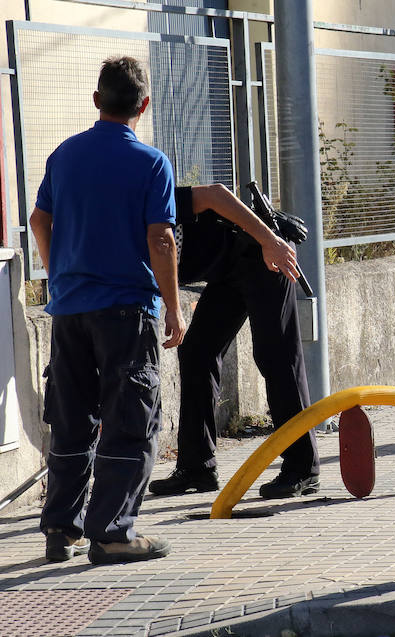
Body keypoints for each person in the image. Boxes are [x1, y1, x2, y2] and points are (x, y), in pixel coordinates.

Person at [29, 56, 185, 564]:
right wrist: (175, 309)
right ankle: (113, 533)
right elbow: (160, 239)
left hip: (69, 310)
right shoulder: (151, 162)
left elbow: (38, 221)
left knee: (72, 419)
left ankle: (61, 529)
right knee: (130, 421)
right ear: (144, 104)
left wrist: (61, 278)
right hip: (125, 310)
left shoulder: (64, 156)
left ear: (97, 101)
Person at [147, 183, 320, 499]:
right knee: (197, 352)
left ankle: (302, 468)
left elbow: (215, 194)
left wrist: (269, 240)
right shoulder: (113, 245)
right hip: (225, 272)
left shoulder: (147, 197)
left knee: (276, 358)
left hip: (263, 255)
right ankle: (197, 468)